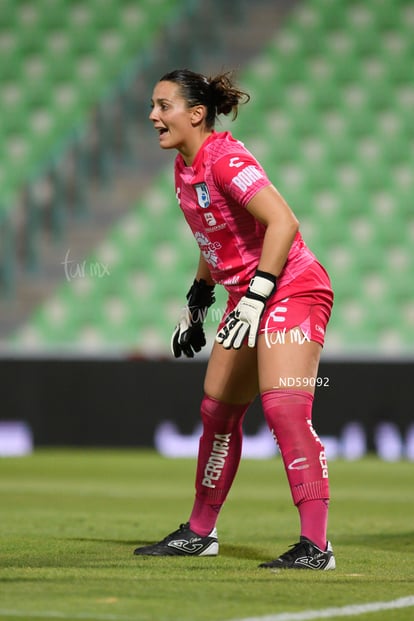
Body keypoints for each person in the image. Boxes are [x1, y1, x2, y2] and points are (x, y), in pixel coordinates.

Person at [133, 68, 336, 570]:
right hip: (246, 296)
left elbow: (284, 222)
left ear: (196, 114)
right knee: (217, 412)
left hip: (292, 288)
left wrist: (257, 294)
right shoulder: (186, 168)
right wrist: (198, 302)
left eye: (163, 106)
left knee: (286, 410)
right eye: (154, 106)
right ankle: (200, 532)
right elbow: (214, 237)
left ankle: (316, 547)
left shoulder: (224, 158)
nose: (153, 116)